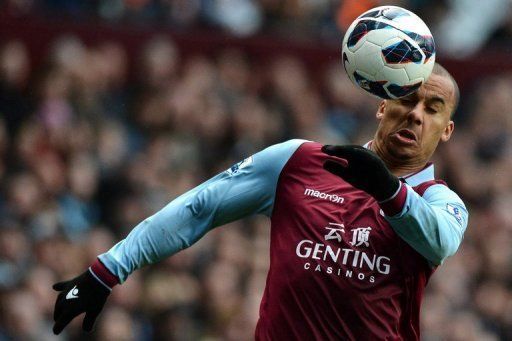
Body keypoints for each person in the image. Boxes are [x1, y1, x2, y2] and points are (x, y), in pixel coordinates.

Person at [52, 63, 468, 340]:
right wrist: (105, 271)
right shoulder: (298, 161)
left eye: (431, 109)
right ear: (382, 105)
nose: (416, 115)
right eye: (407, 99)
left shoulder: (438, 201)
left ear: (446, 130)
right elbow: (202, 207)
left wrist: (388, 190)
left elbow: (439, 241)